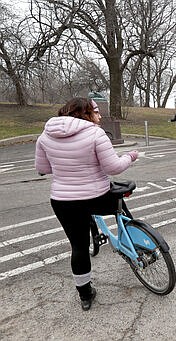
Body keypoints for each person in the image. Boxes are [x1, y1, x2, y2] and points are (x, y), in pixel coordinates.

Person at [35, 97, 138, 311]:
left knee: (79, 247)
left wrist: (67, 167)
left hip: (64, 201)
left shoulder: (45, 136)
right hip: (96, 196)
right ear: (86, 113)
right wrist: (130, 155)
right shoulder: (95, 133)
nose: (99, 116)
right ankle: (131, 236)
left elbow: (42, 168)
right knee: (119, 200)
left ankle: (85, 296)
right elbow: (113, 167)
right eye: (96, 112)